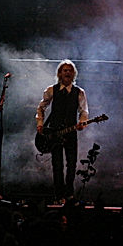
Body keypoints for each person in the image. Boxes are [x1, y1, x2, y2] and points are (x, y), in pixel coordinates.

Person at [36, 59, 90, 201]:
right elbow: (41, 107)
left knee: (71, 164)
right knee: (57, 165)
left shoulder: (79, 92)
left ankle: (69, 194)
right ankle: (59, 195)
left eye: (70, 70)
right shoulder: (51, 90)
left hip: (70, 133)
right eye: (65, 70)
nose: (67, 73)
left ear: (74, 74)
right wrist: (40, 123)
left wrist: (82, 123)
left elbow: (84, 111)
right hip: (54, 133)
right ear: (60, 73)